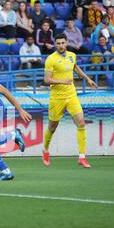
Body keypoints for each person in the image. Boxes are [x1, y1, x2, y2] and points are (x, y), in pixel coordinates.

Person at [42, 33, 98, 168]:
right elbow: (47, 79)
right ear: (55, 44)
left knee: (81, 122)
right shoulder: (51, 59)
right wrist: (63, 81)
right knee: (52, 126)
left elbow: (75, 68)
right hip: (57, 98)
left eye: (63, 43)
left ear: (66, 43)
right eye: (58, 43)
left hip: (71, 95)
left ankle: (82, 157)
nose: (61, 45)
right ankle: (45, 150)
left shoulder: (72, 55)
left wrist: (87, 78)